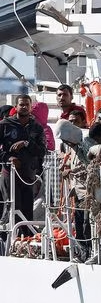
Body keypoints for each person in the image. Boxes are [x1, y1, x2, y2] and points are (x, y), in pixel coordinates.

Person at [0, 95, 47, 228]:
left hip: (28, 176)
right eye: (22, 104)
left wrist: (26, 143)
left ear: (31, 107)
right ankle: (9, 241)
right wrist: (8, 158)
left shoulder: (37, 128)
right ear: (16, 107)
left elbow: (42, 151)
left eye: (27, 104)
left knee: (27, 212)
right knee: (12, 208)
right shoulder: (5, 125)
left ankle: (25, 242)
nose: (24, 107)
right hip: (10, 174)